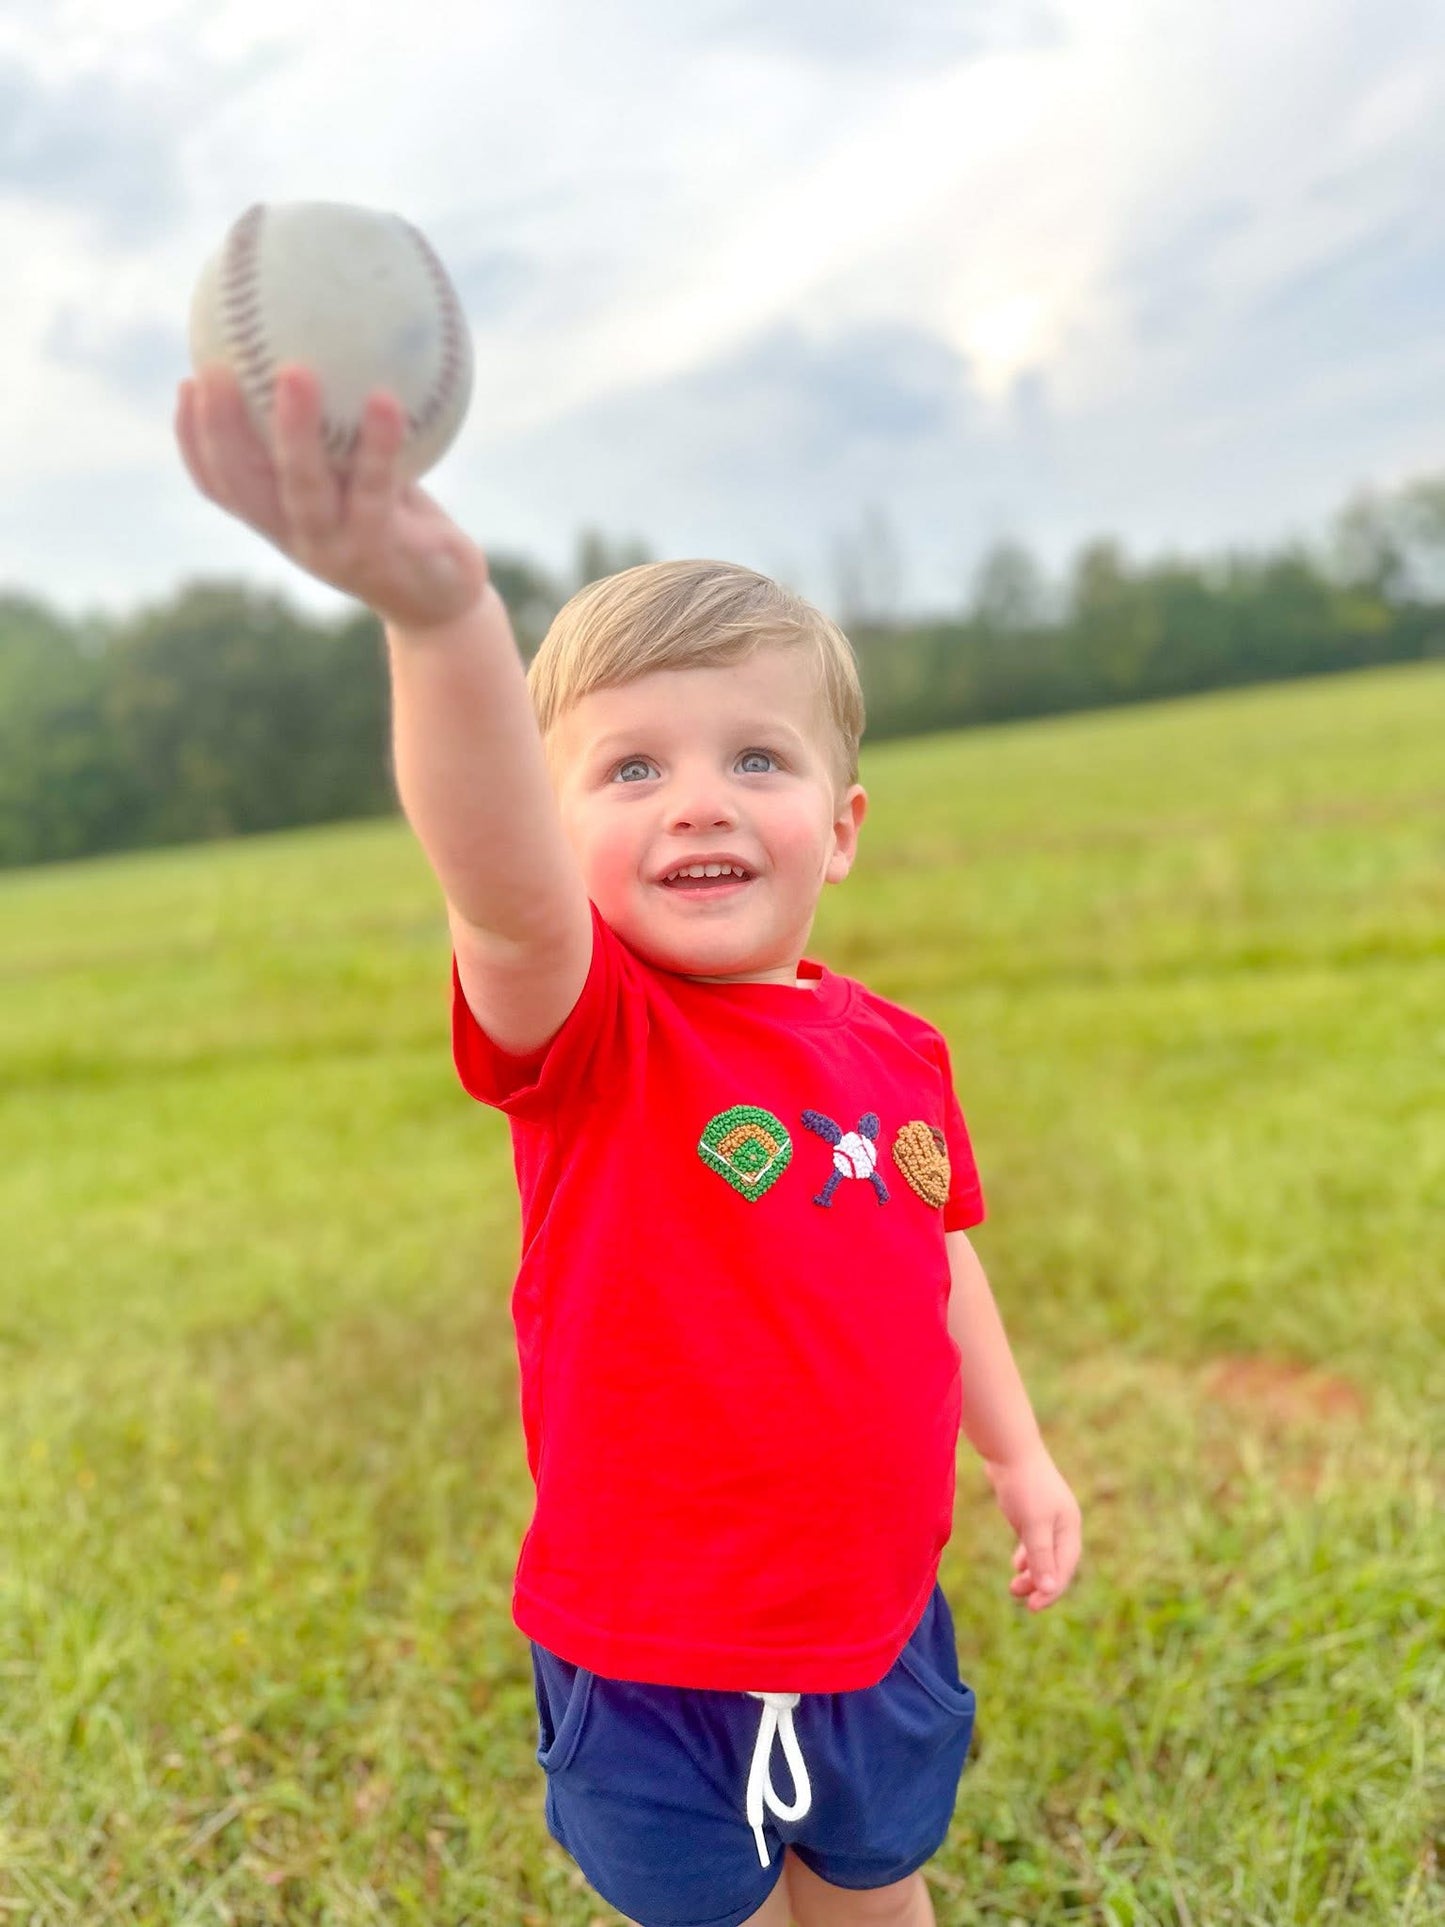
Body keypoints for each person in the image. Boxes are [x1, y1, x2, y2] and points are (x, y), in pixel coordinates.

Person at [176, 363, 1083, 1927]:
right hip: (655, 1647)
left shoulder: (893, 1050)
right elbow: (497, 882)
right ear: (556, 818)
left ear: (841, 823)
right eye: (630, 767)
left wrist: (1015, 1449)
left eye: (755, 758)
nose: (695, 804)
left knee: (876, 1886)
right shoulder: (595, 1030)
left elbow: (935, 1257)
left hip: (874, 1615)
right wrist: (440, 618)